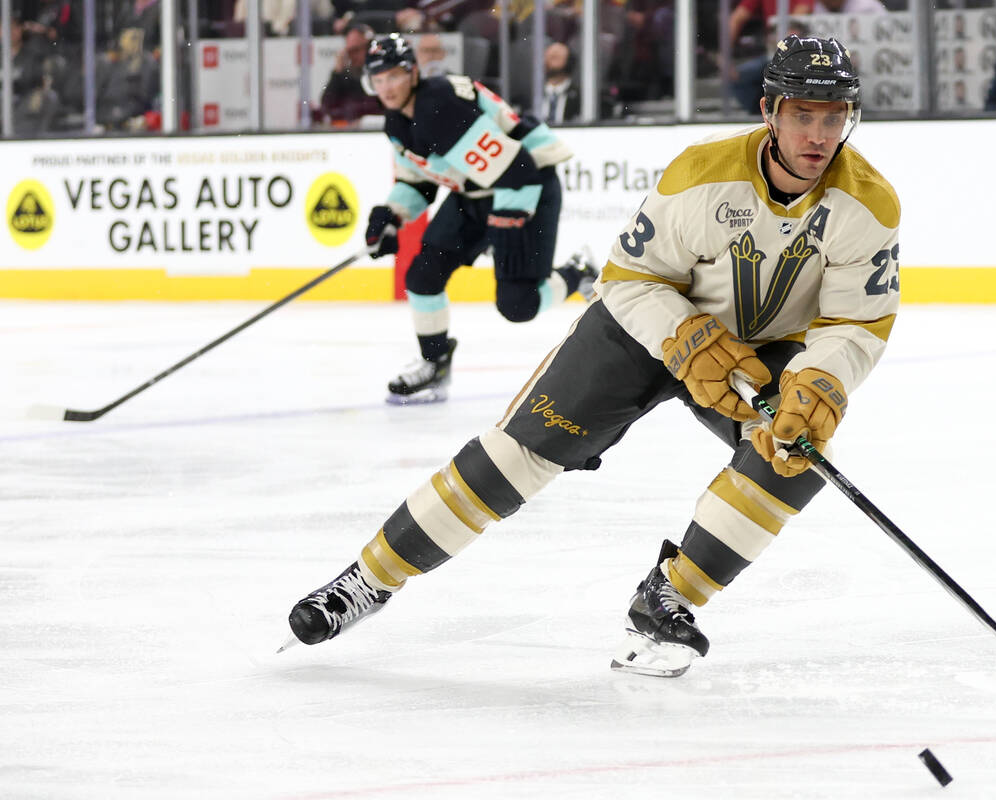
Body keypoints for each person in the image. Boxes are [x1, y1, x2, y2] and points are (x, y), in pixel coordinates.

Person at [284, 35, 901, 679]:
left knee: (796, 454)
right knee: (515, 455)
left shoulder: (869, 204)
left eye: (835, 116)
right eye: (804, 113)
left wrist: (823, 379)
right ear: (770, 111)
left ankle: (671, 596)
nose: (820, 134)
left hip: (762, 351)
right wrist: (684, 336)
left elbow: (857, 319)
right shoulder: (701, 173)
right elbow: (632, 277)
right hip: (642, 328)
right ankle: (367, 580)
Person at [355, 34, 597, 404]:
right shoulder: (398, 121)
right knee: (422, 276)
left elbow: (518, 168)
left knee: (518, 305)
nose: (386, 87)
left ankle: (576, 273)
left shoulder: (439, 106)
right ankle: (434, 363)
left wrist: (507, 220)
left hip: (528, 184)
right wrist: (392, 216)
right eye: (378, 79)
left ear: (413, 73)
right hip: (480, 192)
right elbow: (417, 181)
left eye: (394, 76)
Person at [319, 23, 384, 125]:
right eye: (349, 51)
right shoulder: (344, 76)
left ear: (369, 48)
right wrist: (337, 71)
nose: (352, 56)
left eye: (356, 50)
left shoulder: (383, 72)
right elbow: (327, 106)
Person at [540, 41, 580, 123]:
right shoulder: (533, 96)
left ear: (569, 62)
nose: (549, 61)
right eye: (547, 57)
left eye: (555, 57)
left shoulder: (580, 97)